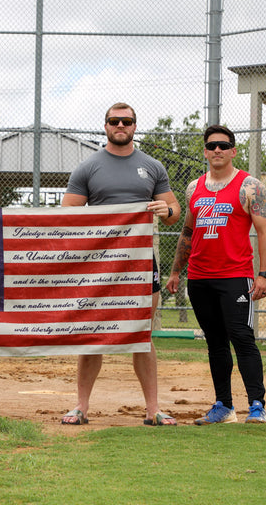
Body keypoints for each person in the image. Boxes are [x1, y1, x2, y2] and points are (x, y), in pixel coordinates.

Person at [60, 102, 181, 426]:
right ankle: (81, 407)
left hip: (142, 261)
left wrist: (164, 210)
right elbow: (68, 212)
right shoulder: (88, 167)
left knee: (142, 332)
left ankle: (152, 409)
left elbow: (173, 211)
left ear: (134, 126)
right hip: (99, 264)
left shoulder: (152, 167)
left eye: (126, 121)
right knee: (92, 332)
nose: (120, 126)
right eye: (115, 121)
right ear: (106, 126)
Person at [166, 124, 266, 424]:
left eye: (224, 145)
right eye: (212, 145)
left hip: (236, 276)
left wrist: (264, 274)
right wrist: (176, 271)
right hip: (200, 278)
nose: (217, 150)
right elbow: (187, 233)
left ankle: (256, 404)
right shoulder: (193, 187)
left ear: (233, 151)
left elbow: (265, 233)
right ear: (205, 151)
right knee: (215, 341)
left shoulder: (250, 186)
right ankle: (224, 406)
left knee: (242, 337)